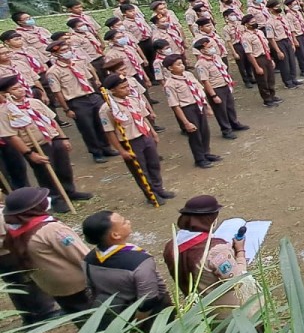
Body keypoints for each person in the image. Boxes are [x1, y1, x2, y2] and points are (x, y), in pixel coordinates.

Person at [0, 76, 92, 213]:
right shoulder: (6, 111)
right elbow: (11, 136)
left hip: (53, 138)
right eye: (15, 89)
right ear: (5, 94)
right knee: (46, 173)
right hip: (36, 145)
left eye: (20, 87)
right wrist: (29, 153)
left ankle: (69, 191)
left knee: (64, 167)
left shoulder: (34, 102)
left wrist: (63, 138)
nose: (20, 90)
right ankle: (55, 199)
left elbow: (52, 120)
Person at [163, 195, 261, 320]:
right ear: (211, 219)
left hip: (207, 312)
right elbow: (238, 281)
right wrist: (240, 251)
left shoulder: (170, 247)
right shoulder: (216, 250)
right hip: (234, 315)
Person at [2, 186, 93, 318]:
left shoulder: (15, 229)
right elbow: (81, 255)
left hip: (52, 286)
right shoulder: (52, 229)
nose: (47, 200)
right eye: (43, 199)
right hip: (77, 284)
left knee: (76, 314)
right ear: (34, 208)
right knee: (92, 313)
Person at [81, 210, 172, 328]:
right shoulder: (140, 261)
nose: (128, 222)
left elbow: (91, 288)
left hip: (116, 312)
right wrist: (136, 325)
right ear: (115, 235)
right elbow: (149, 299)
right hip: (146, 315)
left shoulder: (88, 259)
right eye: (124, 222)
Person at [99, 74, 175, 202]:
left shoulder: (133, 100)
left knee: (154, 164)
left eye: (127, 86)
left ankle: (158, 189)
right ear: (113, 90)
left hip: (145, 135)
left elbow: (143, 118)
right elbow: (110, 131)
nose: (127, 89)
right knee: (141, 170)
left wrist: (153, 134)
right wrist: (121, 151)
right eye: (123, 88)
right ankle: (151, 195)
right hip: (130, 141)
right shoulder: (108, 109)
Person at [45, 40, 114, 163]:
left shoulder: (78, 63)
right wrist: (66, 109)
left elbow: (89, 79)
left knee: (101, 123)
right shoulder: (53, 72)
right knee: (87, 128)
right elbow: (57, 92)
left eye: (68, 49)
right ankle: (96, 152)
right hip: (76, 101)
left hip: (92, 96)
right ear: (55, 55)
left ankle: (106, 147)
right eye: (63, 51)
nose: (67, 52)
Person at [162, 55, 222, 169]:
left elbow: (199, 91)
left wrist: (207, 106)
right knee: (195, 134)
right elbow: (175, 105)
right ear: (170, 68)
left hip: (198, 105)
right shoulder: (170, 84)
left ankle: (206, 153)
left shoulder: (188, 75)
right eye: (178, 64)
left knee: (205, 131)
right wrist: (185, 122)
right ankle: (199, 158)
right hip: (187, 108)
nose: (182, 66)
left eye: (182, 63)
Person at [193, 37, 248, 140]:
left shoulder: (216, 57)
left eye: (212, 46)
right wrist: (213, 95)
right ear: (202, 50)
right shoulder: (201, 64)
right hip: (216, 88)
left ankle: (234, 123)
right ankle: (226, 130)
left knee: (230, 107)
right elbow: (205, 81)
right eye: (209, 47)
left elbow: (224, 70)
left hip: (225, 85)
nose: (212, 48)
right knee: (221, 111)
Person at [239, 16, 280, 107]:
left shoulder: (260, 32)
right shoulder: (246, 37)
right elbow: (249, 53)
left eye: (255, 21)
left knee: (270, 78)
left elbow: (266, 47)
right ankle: (267, 99)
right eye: (252, 22)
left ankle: (272, 95)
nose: (254, 23)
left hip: (266, 56)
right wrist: (256, 66)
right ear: (246, 24)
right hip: (258, 59)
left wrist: (270, 59)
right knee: (262, 80)